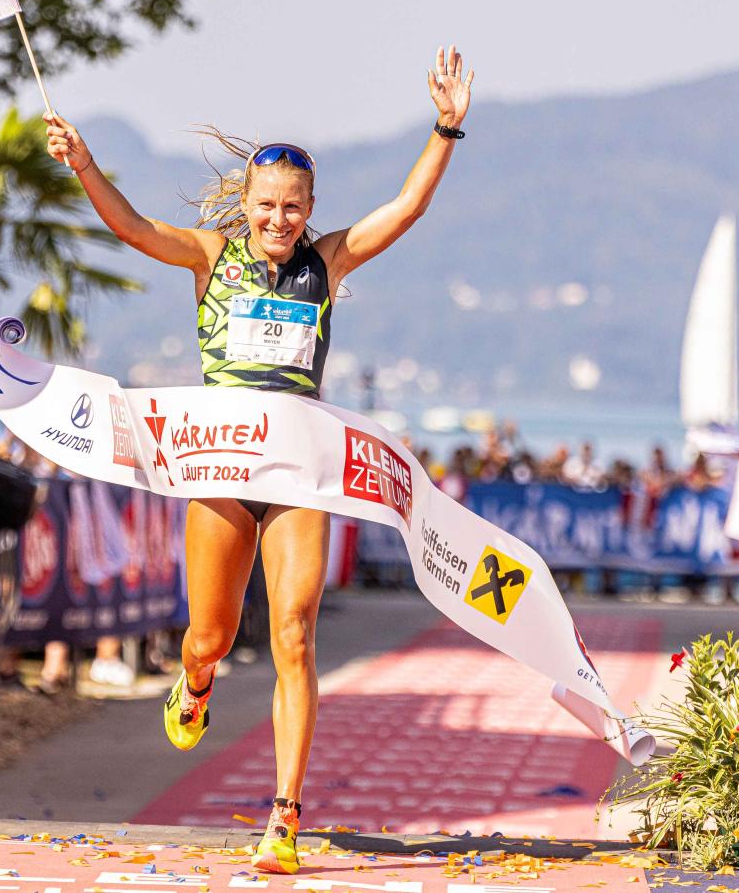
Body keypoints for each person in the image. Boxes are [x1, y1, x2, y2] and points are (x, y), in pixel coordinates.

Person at [43, 45, 473, 874]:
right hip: (222, 471)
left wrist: (447, 125)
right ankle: (195, 680)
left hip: (298, 473)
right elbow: (133, 228)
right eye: (266, 204)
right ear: (245, 203)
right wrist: (86, 164)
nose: (279, 219)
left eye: (292, 207)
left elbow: (408, 208)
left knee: (295, 632)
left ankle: (284, 814)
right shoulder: (212, 258)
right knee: (209, 634)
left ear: (310, 208)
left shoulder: (327, 262)